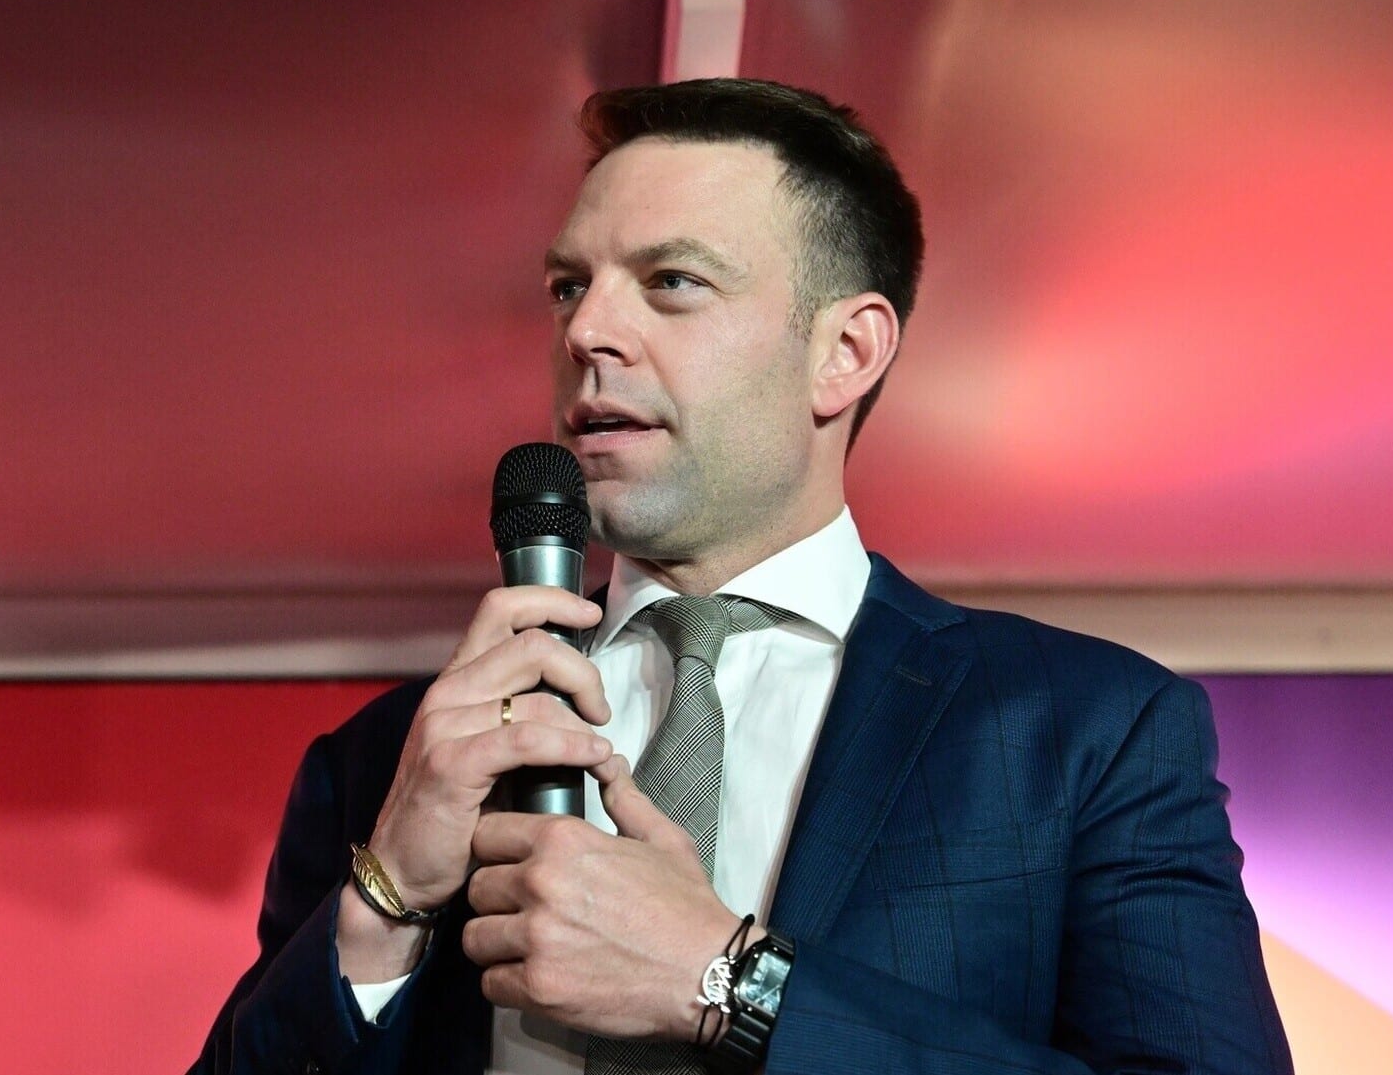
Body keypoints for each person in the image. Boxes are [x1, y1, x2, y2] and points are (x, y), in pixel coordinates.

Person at [191, 78, 1293, 1075]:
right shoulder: (388, 761)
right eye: (569, 287)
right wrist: (383, 902)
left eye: (672, 281)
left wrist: (729, 982)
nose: (588, 330)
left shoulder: (1084, 733)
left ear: (845, 352)